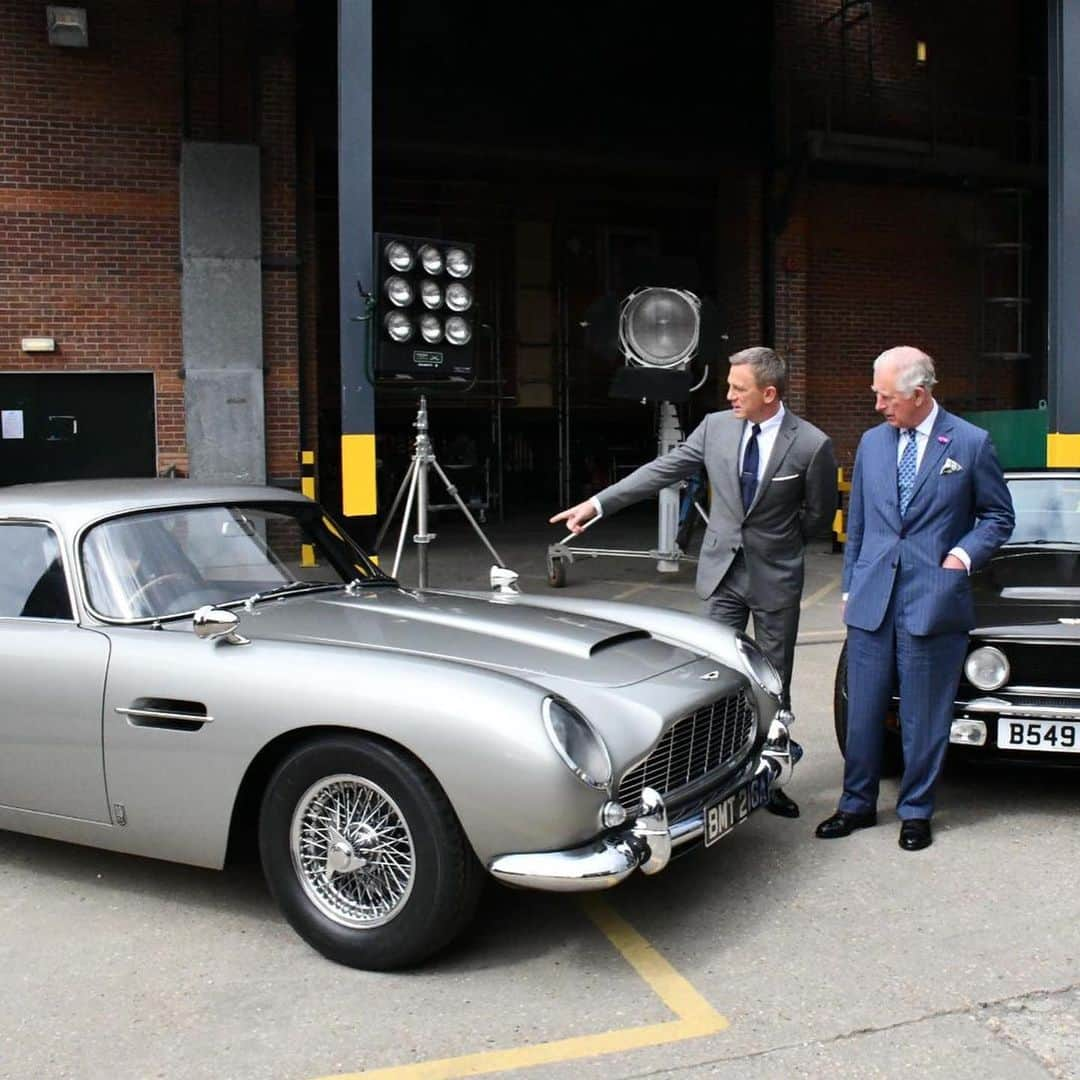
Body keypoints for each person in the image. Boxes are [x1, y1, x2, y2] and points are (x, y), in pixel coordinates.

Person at [550, 346, 838, 818]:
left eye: (737, 388)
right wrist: (597, 505)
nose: (728, 395)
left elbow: (818, 516)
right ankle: (713, 776)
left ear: (769, 393)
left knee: (773, 682)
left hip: (775, 577)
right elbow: (660, 472)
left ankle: (770, 775)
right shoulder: (716, 428)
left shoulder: (810, 444)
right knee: (714, 675)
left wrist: (778, 544)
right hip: (722, 572)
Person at [816, 346, 1014, 851]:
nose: (878, 405)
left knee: (924, 713)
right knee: (862, 709)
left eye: (886, 397)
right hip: (872, 597)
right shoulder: (872, 443)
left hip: (935, 597)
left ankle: (916, 810)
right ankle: (856, 804)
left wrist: (962, 558)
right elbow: (858, 521)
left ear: (919, 394)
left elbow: (997, 518)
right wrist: (849, 584)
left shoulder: (970, 444)